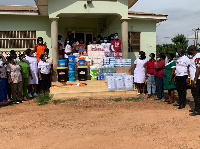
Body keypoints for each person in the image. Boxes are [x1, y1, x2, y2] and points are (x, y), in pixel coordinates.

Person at [187, 45, 200, 116]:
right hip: (195, 78)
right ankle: (197, 108)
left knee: (196, 94)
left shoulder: (198, 57)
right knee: (196, 94)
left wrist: (195, 81)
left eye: (189, 50)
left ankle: (197, 110)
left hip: (197, 79)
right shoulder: (195, 56)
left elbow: (198, 69)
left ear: (191, 50)